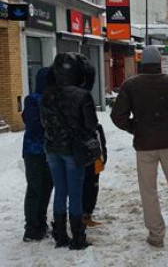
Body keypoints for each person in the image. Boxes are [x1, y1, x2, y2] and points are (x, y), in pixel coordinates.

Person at [111, 45, 168, 247]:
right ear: (159, 63)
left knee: (148, 191)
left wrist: (136, 128)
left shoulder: (130, 85)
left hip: (145, 146)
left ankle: (156, 234)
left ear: (142, 63)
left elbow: (117, 116)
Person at [41, 53, 100, 250]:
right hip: (74, 150)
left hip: (52, 148)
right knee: (75, 193)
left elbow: (44, 122)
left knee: (60, 191)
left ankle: (60, 235)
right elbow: (91, 124)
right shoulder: (83, 95)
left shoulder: (47, 94)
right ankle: (78, 237)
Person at [21, 67, 53, 242]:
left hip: (49, 152)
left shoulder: (50, 99)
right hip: (34, 152)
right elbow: (34, 122)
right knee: (35, 188)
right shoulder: (32, 100)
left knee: (46, 187)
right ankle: (31, 228)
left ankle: (40, 222)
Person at [79, 59, 108, 228]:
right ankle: (84, 214)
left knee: (78, 183)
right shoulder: (84, 96)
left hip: (68, 145)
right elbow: (91, 124)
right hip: (87, 145)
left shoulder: (57, 95)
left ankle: (78, 215)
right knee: (90, 182)